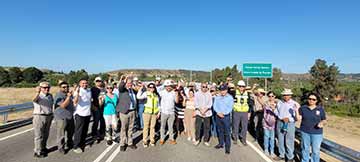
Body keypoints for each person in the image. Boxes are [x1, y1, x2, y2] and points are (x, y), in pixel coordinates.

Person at [274, 89, 300, 162]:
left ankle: (290, 157)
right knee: (280, 139)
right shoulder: (279, 102)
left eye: (287, 95)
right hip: (280, 122)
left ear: (290, 95)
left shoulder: (295, 104)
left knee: (289, 141)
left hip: (289, 124)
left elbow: (296, 116)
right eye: (284, 95)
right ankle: (281, 155)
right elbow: (276, 111)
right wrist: (280, 117)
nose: (286, 96)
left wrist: (289, 119)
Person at [299, 93, 326, 162]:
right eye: (310, 99)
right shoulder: (303, 108)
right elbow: (299, 118)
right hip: (305, 132)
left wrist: (322, 123)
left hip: (317, 133)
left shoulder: (320, 109)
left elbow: (324, 120)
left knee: (316, 151)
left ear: (316, 101)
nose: (311, 101)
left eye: (313, 99)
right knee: (305, 149)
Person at [116, 75, 138, 151]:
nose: (129, 84)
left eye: (131, 83)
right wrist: (124, 80)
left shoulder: (133, 91)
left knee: (131, 128)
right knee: (123, 128)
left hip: (132, 111)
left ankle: (130, 143)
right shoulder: (122, 90)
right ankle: (122, 143)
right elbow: (120, 86)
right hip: (124, 112)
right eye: (128, 83)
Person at [32, 82, 54, 158]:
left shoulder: (50, 95)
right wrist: (37, 92)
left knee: (46, 134)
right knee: (39, 135)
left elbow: (51, 105)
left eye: (48, 87)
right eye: (44, 87)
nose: (46, 89)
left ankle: (43, 148)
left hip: (48, 116)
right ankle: (37, 151)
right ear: (40, 88)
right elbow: (34, 100)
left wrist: (52, 114)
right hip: (39, 116)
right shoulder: (38, 95)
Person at [54, 81, 75, 154]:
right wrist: (68, 97)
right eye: (64, 87)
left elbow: (73, 103)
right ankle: (61, 148)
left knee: (71, 132)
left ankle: (69, 143)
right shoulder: (59, 95)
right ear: (60, 88)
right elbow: (63, 106)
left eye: (67, 87)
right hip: (61, 117)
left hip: (69, 116)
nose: (66, 88)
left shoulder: (68, 94)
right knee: (61, 134)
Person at [137, 83, 160, 147]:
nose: (151, 88)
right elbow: (138, 97)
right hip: (147, 113)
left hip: (154, 114)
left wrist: (159, 112)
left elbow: (158, 105)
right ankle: (145, 141)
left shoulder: (156, 95)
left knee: (152, 127)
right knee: (146, 127)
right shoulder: (146, 93)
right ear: (148, 88)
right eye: (150, 87)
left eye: (153, 87)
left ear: (154, 88)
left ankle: (152, 140)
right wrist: (141, 88)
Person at [232, 80, 254, 146]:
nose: (241, 87)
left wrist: (249, 113)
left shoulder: (247, 94)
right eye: (240, 86)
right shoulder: (234, 92)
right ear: (238, 86)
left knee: (244, 127)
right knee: (236, 126)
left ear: (244, 87)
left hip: (245, 112)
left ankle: (243, 139)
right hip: (236, 112)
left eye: (243, 86)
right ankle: (235, 138)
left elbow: (250, 104)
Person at [213, 84, 234, 155]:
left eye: (223, 90)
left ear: (226, 90)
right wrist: (218, 113)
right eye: (221, 90)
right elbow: (215, 105)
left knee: (227, 133)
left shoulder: (230, 98)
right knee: (220, 131)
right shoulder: (217, 97)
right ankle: (221, 144)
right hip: (218, 116)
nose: (222, 92)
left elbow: (230, 108)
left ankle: (227, 148)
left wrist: (223, 113)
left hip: (226, 117)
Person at [73, 79, 92, 153]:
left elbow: (89, 100)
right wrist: (77, 93)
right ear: (80, 84)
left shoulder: (89, 91)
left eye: (86, 83)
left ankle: (82, 144)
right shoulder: (78, 91)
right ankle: (76, 146)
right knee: (78, 131)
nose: (85, 84)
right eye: (83, 83)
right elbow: (75, 101)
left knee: (85, 130)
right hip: (79, 114)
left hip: (87, 113)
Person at [159, 79, 177, 145]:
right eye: (167, 86)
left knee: (171, 126)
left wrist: (177, 93)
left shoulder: (173, 93)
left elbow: (176, 101)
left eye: (169, 86)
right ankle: (162, 139)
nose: (168, 87)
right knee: (162, 126)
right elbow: (157, 89)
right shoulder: (162, 92)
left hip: (172, 113)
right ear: (165, 86)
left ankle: (171, 139)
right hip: (164, 112)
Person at [91, 77, 106, 142]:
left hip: (103, 107)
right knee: (96, 121)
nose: (98, 82)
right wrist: (93, 106)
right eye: (97, 81)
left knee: (103, 121)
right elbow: (90, 99)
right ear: (95, 82)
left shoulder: (104, 89)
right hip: (96, 107)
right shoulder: (92, 89)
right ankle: (94, 135)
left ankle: (102, 133)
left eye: (100, 81)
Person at [262, 91, 277, 158]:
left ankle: (272, 151)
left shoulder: (277, 104)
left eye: (272, 96)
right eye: (269, 96)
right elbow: (267, 108)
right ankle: (266, 149)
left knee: (272, 138)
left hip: (273, 124)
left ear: (275, 96)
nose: (271, 97)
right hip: (266, 123)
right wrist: (273, 108)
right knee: (266, 137)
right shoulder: (266, 104)